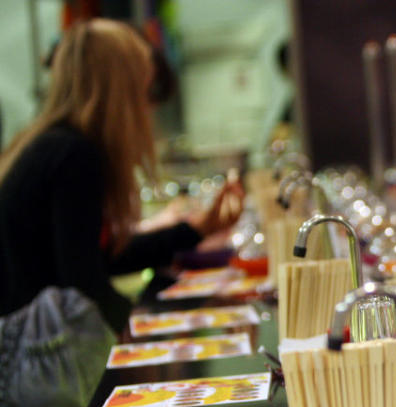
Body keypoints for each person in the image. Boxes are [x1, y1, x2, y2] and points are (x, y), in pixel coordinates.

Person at [0, 19, 243, 335]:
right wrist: (155, 322)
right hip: (34, 357)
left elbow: (101, 257)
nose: (148, 109)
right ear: (122, 93)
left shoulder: (53, 144)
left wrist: (195, 229)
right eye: (144, 91)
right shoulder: (73, 155)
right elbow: (84, 285)